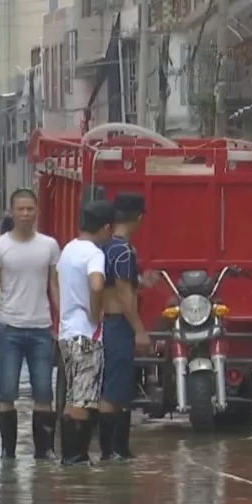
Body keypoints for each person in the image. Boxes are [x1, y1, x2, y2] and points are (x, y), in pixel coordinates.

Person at [0, 189, 60, 460]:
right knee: (7, 391)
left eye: (30, 209)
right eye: (20, 209)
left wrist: (62, 321)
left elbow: (54, 285)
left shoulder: (49, 245)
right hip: (9, 328)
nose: (26, 214)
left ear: (37, 211)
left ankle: (44, 449)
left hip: (41, 327)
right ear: (12, 212)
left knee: (43, 390)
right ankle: (8, 451)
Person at [57, 200, 115, 465]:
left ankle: (69, 454)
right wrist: (95, 313)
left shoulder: (68, 249)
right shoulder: (95, 254)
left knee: (72, 394)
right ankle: (75, 456)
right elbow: (97, 284)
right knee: (83, 398)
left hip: (67, 333)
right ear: (105, 228)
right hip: (86, 335)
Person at [100, 193, 156, 461]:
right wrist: (140, 329)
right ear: (140, 218)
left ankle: (113, 450)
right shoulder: (123, 250)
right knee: (115, 391)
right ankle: (113, 451)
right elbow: (123, 295)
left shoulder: (102, 246)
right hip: (117, 323)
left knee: (113, 388)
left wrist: (141, 281)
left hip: (102, 323)